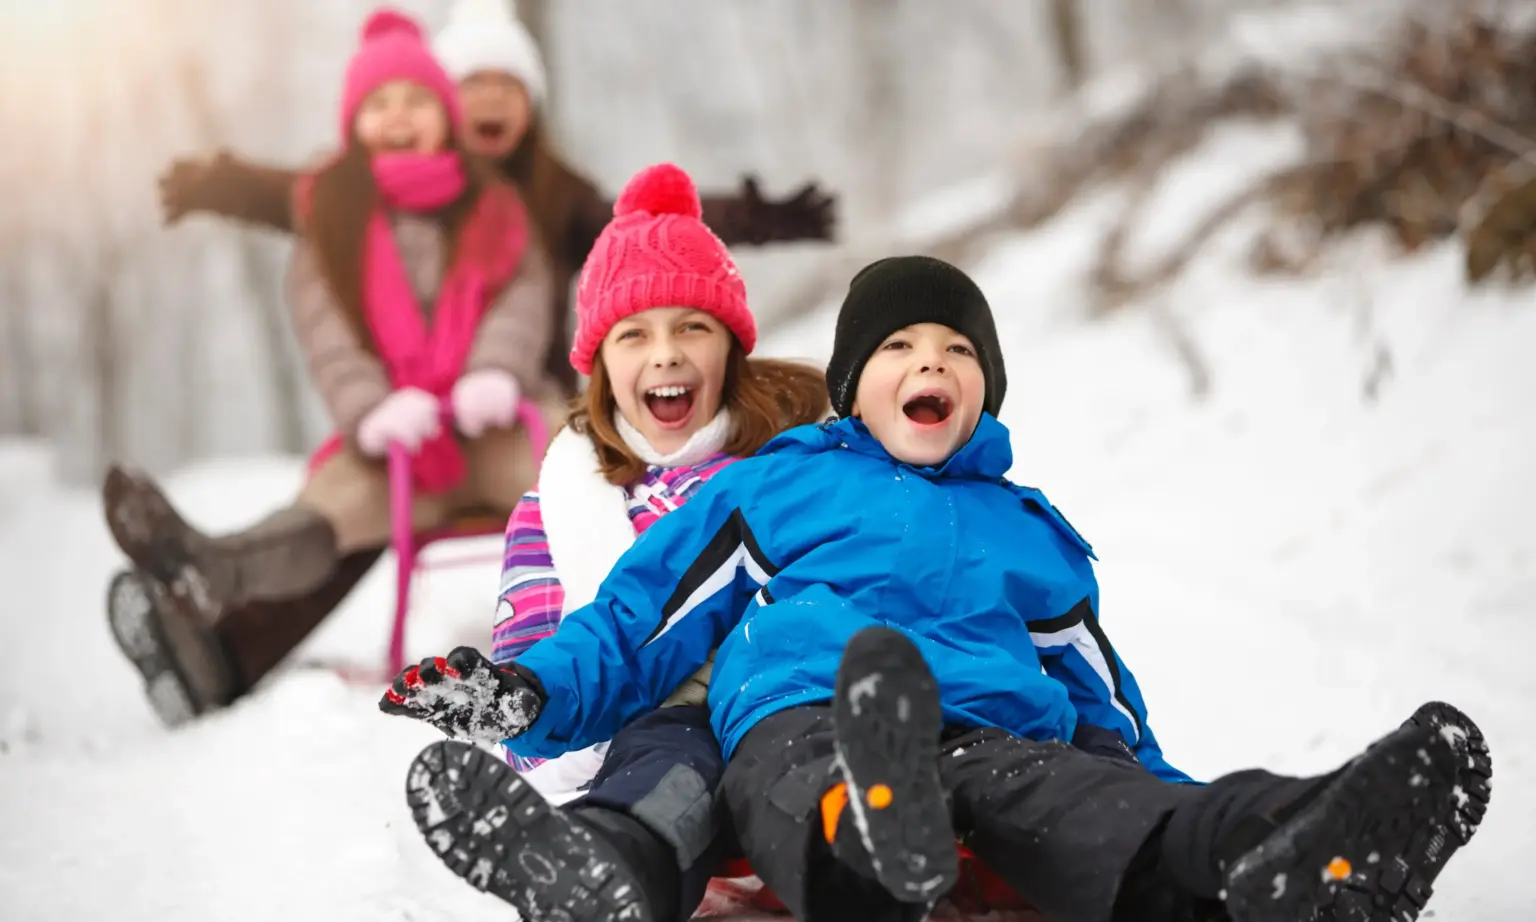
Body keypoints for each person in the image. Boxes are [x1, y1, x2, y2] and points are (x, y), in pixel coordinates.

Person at [383, 255, 1491, 922]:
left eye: (958, 349)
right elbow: (640, 616)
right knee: (794, 777)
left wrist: (1145, 787)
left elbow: (1103, 696)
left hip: (996, 733)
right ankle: (866, 839)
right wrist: (526, 692)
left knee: (1102, 806)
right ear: (854, 385)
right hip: (809, 713)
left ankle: (1293, 842)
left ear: (984, 385)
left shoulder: (1027, 530)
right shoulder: (783, 487)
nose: (931, 364)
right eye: (901, 345)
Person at [381, 161, 826, 922]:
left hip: (787, 697)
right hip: (649, 719)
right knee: (667, 773)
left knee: (791, 760)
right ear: (601, 365)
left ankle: (880, 848)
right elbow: (541, 656)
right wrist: (510, 700)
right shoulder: (559, 507)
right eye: (634, 334)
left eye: (692, 326)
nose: (665, 354)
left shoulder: (792, 460)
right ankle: (597, 871)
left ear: (731, 349)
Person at [104, 9, 565, 726]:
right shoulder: (334, 214)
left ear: (445, 114)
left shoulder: (493, 205)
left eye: (416, 101)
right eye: (380, 105)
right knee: (326, 513)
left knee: (579, 475)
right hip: (399, 436)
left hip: (498, 416)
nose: (400, 117)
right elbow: (326, 325)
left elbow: (523, 291)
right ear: (355, 124)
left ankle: (651, 612)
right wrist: (371, 406)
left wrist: (496, 369)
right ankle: (213, 570)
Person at [154, 0, 839, 398]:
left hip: (526, 389)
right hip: (414, 395)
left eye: (506, 87)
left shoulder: (553, 194)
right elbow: (298, 197)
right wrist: (220, 181)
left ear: (529, 108)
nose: (488, 100)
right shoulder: (394, 193)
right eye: (472, 85)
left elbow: (639, 222)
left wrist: (753, 217)